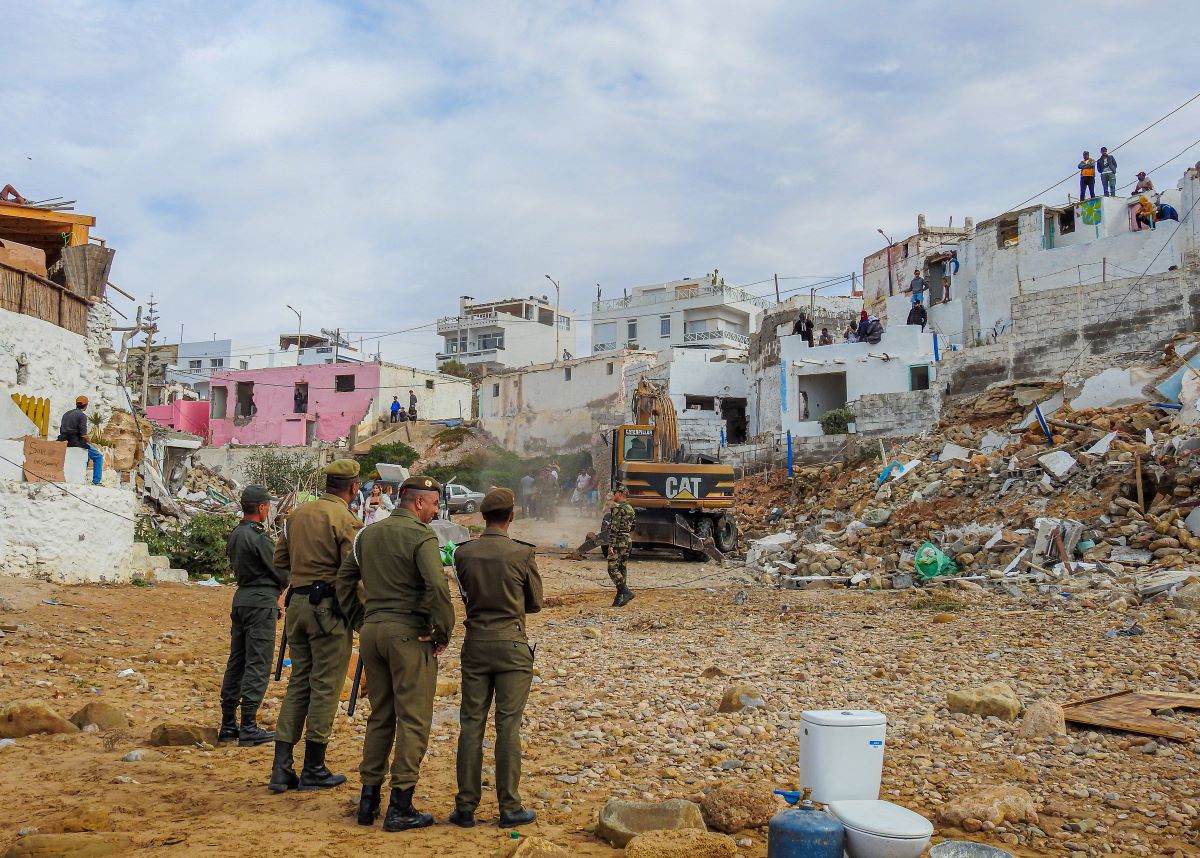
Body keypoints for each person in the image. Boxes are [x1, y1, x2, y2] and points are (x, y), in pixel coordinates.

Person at [336, 475, 453, 832]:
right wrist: (440, 632)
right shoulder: (422, 536)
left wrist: (361, 620)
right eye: (433, 504)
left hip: (373, 633)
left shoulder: (367, 534)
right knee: (414, 719)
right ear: (419, 503)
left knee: (381, 716)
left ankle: (368, 802)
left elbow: (344, 580)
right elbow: (436, 585)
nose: (435, 511)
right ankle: (401, 805)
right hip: (408, 635)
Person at [449, 488, 543, 829]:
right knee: (508, 726)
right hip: (511, 644)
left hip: (475, 644)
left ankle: (465, 807)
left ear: (483, 516)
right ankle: (509, 806)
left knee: (471, 724)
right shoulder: (521, 554)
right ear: (511, 516)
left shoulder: (463, 554)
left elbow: (465, 595)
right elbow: (534, 603)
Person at [268, 459, 363, 794]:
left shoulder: (297, 515)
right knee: (325, 686)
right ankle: (314, 767)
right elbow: (353, 570)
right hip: (329, 609)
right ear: (353, 487)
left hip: (297, 605)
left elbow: (280, 562)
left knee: (299, 684)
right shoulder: (346, 519)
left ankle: (281, 769)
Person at [219, 485, 287, 747]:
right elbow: (279, 571)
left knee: (237, 661)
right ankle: (248, 725)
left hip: (242, 599)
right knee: (257, 663)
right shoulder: (259, 537)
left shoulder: (236, 534)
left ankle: (228, 723)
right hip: (261, 602)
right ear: (261, 507)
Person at [56, 395, 102, 486]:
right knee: (98, 456)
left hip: (63, 440)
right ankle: (96, 482)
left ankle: (83, 474)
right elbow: (84, 435)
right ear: (86, 405)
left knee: (87, 455)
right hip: (75, 442)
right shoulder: (82, 416)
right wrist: (90, 443)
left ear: (76, 404)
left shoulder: (66, 414)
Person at [607, 486, 636, 607]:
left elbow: (614, 528)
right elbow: (633, 526)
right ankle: (618, 598)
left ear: (619, 493)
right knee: (622, 568)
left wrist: (611, 545)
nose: (613, 495)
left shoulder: (618, 509)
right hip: (627, 540)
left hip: (618, 541)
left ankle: (626, 591)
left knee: (612, 568)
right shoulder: (630, 508)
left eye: (615, 493)